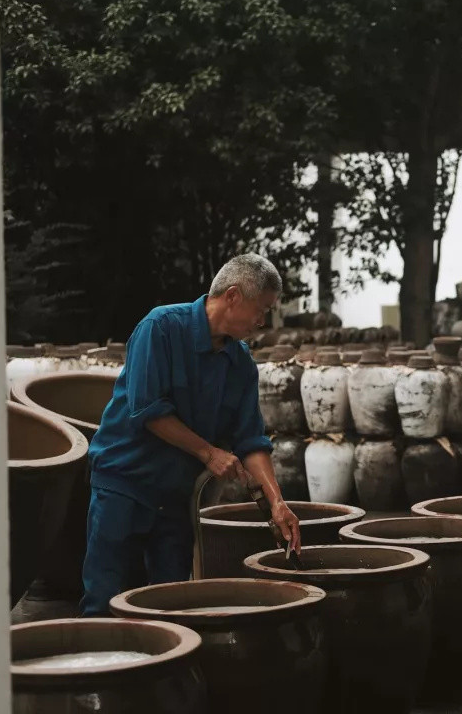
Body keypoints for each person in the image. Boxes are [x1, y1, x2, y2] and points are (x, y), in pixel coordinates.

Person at [79, 254, 300, 616]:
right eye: (261, 310)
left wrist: (277, 502)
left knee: (174, 602)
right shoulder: (161, 327)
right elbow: (147, 410)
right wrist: (208, 453)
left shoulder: (240, 364)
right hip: (123, 482)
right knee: (104, 600)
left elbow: (251, 441)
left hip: (175, 495)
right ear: (232, 296)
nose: (262, 322)